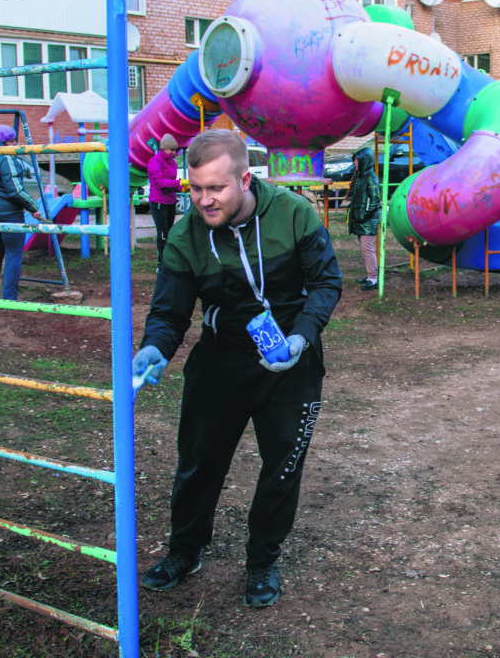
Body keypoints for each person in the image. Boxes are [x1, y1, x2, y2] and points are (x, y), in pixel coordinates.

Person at [132, 129, 342, 608]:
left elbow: (327, 282)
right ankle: (185, 551)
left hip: (291, 357)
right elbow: (169, 311)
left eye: (216, 188)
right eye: (195, 188)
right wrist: (156, 347)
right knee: (198, 461)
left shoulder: (293, 213)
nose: (204, 200)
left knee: (282, 467)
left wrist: (301, 335)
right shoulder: (186, 234)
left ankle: (263, 561)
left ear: (245, 179)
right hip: (222, 358)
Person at [0, 124, 47, 301]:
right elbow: (15, 190)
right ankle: (10, 298)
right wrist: (33, 207)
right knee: (13, 254)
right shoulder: (4, 158)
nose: (15, 144)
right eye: (12, 141)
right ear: (5, 142)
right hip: (8, 213)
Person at [348, 146, 382, 290]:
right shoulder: (362, 176)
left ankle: (373, 279)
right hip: (362, 221)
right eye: (354, 160)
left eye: (357, 160)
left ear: (364, 161)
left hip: (367, 221)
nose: (355, 163)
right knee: (365, 249)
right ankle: (370, 275)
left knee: (368, 249)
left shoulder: (370, 178)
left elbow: (375, 200)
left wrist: (364, 215)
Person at [147, 133, 183, 262]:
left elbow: (170, 183)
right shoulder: (155, 162)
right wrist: (179, 183)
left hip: (170, 201)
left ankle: (168, 261)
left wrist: (182, 187)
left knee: (169, 233)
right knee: (162, 234)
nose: (174, 153)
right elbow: (160, 182)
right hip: (159, 202)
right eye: (172, 150)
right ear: (164, 148)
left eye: (175, 150)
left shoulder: (172, 163)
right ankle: (161, 263)